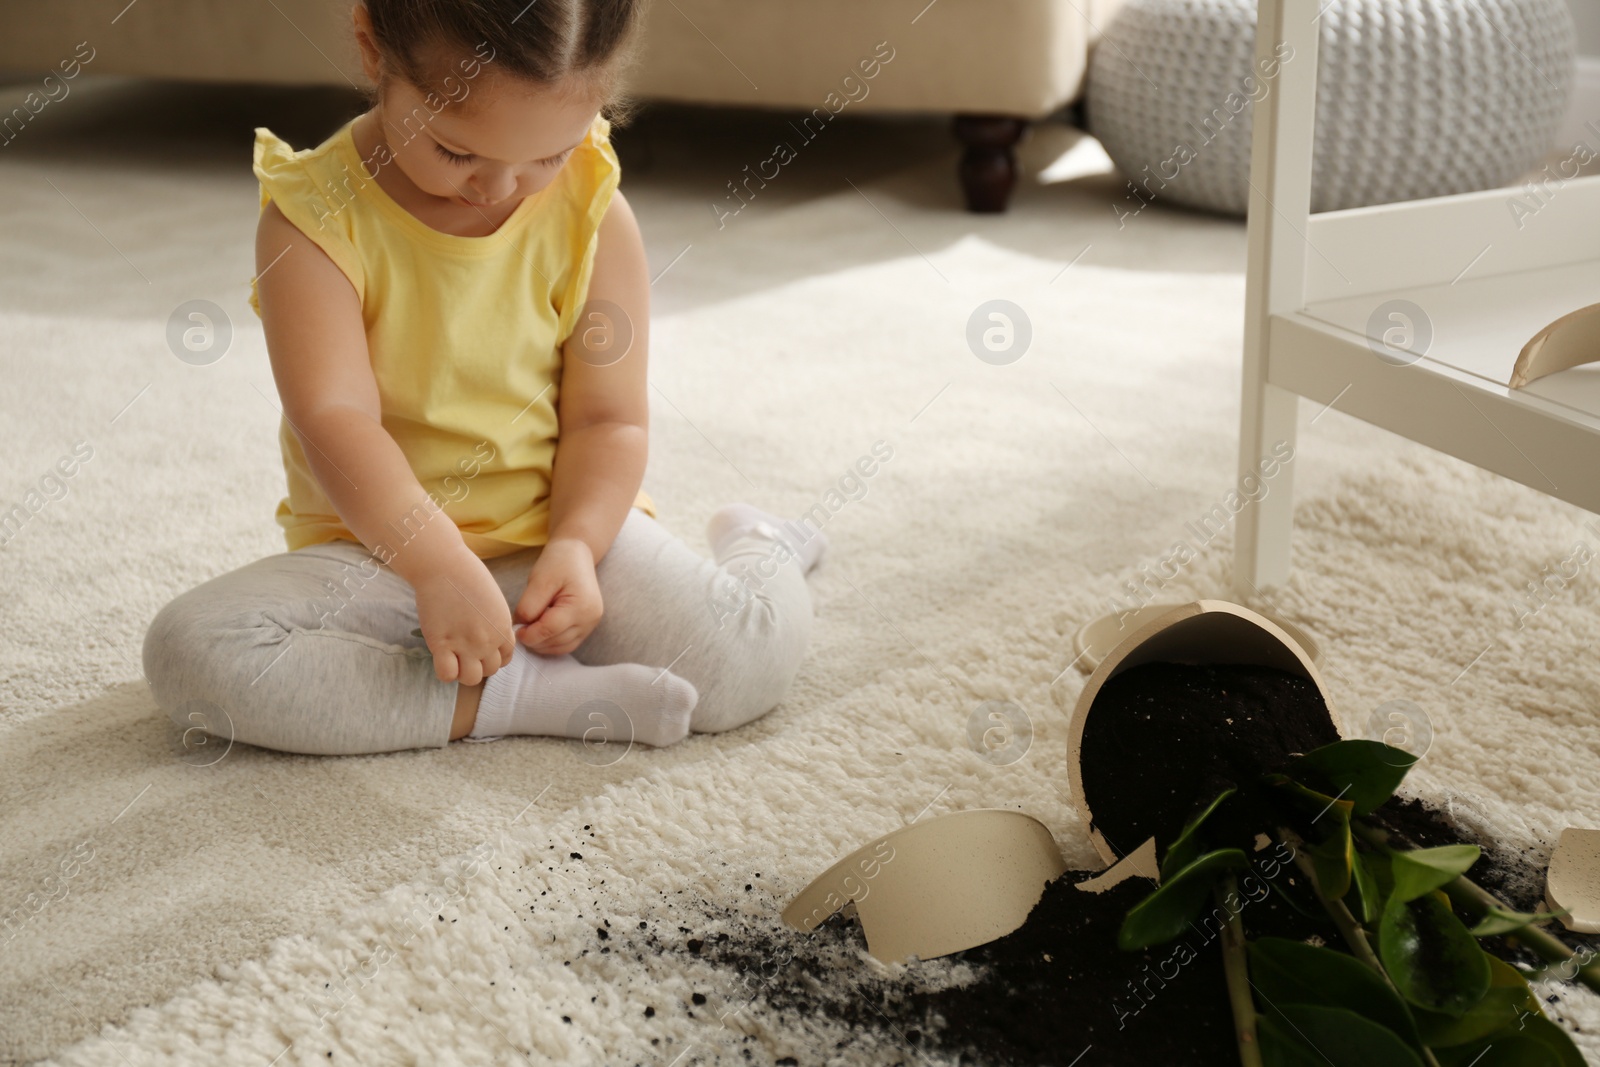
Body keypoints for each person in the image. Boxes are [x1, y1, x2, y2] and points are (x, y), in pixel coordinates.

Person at [141, 0, 823, 757]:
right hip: (382, 556)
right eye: (455, 152)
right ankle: (527, 696)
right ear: (372, 51)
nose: (500, 188)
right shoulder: (313, 219)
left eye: (549, 155)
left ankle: (764, 545)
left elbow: (610, 421)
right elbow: (334, 421)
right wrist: (436, 567)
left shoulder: (591, 208)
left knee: (746, 661)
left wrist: (576, 543)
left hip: (554, 533)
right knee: (191, 653)